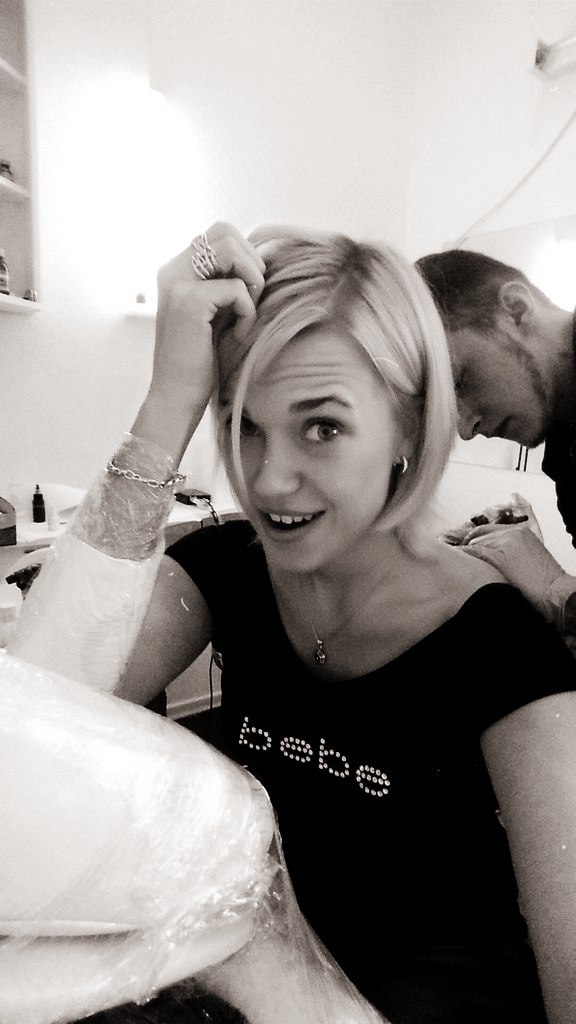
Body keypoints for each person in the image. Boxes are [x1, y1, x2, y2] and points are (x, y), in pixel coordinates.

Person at [7, 222, 576, 1024]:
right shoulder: (226, 569)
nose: (270, 479)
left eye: (323, 426)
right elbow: (32, 734)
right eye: (244, 423)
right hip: (244, 981)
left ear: (409, 429)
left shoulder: (503, 650)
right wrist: (169, 403)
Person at [416, 247, 576, 653]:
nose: (466, 429)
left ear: (516, 309)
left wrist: (557, 589)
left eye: (461, 380)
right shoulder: (563, 450)